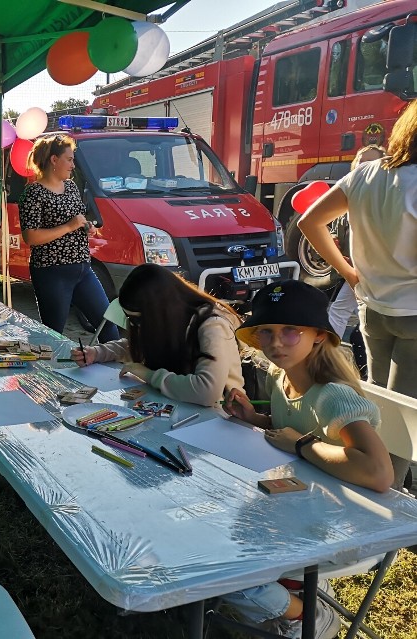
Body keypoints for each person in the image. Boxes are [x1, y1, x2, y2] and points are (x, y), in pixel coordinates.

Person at [221, 279, 393, 638]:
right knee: (220, 533)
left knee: (224, 570)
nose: (276, 343)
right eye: (265, 332)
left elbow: (379, 473)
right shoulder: (279, 376)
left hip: (345, 526)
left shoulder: (334, 396)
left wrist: (301, 445)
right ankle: (294, 591)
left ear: (318, 335)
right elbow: (290, 427)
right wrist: (254, 419)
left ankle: (307, 615)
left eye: (290, 331)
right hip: (300, 507)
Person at [298, 101, 417, 487]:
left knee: (380, 409)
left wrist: (347, 271)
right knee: (400, 426)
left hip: (372, 308)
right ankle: (384, 507)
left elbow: (308, 221)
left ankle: (370, 490)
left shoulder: (365, 174)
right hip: (412, 312)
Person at [72, 264, 244, 407]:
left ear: (158, 311)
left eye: (137, 320)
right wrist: (97, 353)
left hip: (219, 419)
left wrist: (148, 375)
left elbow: (207, 392)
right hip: (179, 407)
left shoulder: (212, 326)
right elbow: (141, 344)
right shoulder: (172, 319)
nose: (135, 327)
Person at [18, 135, 119, 342]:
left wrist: (86, 227)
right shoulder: (34, 193)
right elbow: (31, 236)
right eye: (69, 159)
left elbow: (77, 220)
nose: (73, 165)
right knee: (53, 335)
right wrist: (69, 226)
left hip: (82, 269)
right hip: (52, 272)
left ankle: (110, 372)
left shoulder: (71, 187)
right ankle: (50, 373)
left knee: (108, 327)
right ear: (54, 160)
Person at [325, 145, 386, 339]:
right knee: (345, 312)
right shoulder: (347, 195)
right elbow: (335, 230)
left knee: (343, 312)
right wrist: (334, 242)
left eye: (370, 164)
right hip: (354, 271)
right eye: (360, 163)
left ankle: (329, 357)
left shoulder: (385, 197)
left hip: (374, 272)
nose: (363, 168)